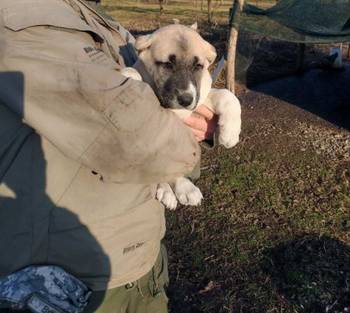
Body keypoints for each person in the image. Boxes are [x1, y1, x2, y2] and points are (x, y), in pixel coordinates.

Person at [0, 0, 217, 312]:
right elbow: (132, 137)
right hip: (71, 283)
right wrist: (192, 134)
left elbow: (148, 95)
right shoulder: (21, 18)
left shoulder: (88, 13)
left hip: (137, 260)